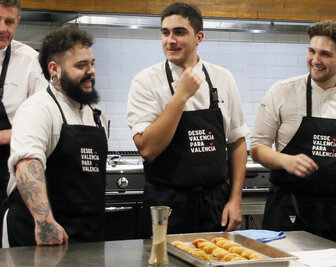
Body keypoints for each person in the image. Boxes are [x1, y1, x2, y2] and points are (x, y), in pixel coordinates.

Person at [127, 2, 248, 235]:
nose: (170, 40)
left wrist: (235, 201)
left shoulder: (223, 78)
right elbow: (148, 149)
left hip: (215, 204)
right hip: (166, 206)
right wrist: (181, 96)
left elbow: (237, 142)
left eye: (179, 32)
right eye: (165, 32)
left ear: (199, 37)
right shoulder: (145, 82)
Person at [250, 20, 336, 241]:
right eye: (311, 51)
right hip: (288, 209)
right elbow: (258, 148)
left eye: (325, 54)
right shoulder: (282, 92)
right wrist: (285, 161)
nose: (315, 60)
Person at [2, 25, 108, 247]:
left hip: (88, 236)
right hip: (38, 237)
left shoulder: (95, 114)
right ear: (54, 69)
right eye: (81, 65)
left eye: (92, 63)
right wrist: (45, 222)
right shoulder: (37, 109)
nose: (91, 71)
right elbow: (27, 165)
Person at [0, 0, 48, 204]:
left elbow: (42, 123)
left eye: (9, 22)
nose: (2, 28)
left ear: (18, 21)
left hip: (11, 175)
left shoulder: (31, 62)